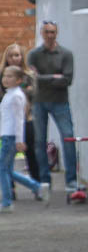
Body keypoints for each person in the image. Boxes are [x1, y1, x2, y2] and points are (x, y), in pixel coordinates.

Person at [28, 21, 78, 193]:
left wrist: (43, 78)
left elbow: (67, 80)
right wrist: (54, 77)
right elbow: (31, 79)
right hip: (39, 101)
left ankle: (71, 180)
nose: (50, 35)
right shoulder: (34, 54)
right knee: (39, 141)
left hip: (60, 101)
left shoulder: (66, 54)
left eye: (53, 32)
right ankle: (44, 180)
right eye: (47, 32)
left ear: (57, 33)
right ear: (42, 33)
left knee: (68, 137)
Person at [1, 65, 43, 208]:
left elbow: (19, 120)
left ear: (19, 80)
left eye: (10, 76)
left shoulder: (17, 96)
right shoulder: (8, 94)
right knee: (7, 170)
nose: (6, 79)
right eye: (5, 76)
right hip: (6, 135)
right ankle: (37, 187)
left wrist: (19, 140)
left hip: (11, 137)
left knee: (2, 169)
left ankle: (7, 202)